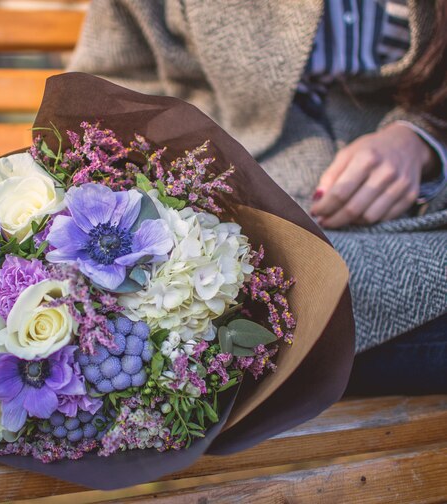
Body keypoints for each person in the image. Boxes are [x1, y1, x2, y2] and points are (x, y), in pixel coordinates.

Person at [68, 0, 447, 393]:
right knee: (284, 292)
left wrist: (423, 137)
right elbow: (107, 92)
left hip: (427, 206)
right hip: (235, 215)